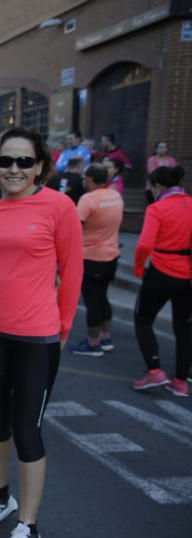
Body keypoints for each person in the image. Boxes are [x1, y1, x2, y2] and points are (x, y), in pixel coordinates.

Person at [0, 127, 82, 538]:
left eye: (24, 162)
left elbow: (72, 272)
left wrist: (63, 329)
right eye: (6, 161)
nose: (14, 170)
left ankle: (29, 528)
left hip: (38, 337)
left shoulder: (59, 206)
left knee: (27, 431)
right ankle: (0, 497)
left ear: (40, 166)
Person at [131, 166, 191, 397]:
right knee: (184, 329)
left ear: (158, 186)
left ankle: (154, 370)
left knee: (143, 320)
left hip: (161, 271)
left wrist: (138, 268)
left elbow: (145, 244)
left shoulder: (157, 208)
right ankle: (180, 381)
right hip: (187, 276)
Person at [71, 164, 124, 357]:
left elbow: (74, 228)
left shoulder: (88, 199)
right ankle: (106, 337)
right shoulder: (115, 195)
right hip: (111, 255)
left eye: (85, 179)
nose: (83, 181)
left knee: (92, 300)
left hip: (91, 257)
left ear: (91, 179)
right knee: (103, 297)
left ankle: (93, 344)